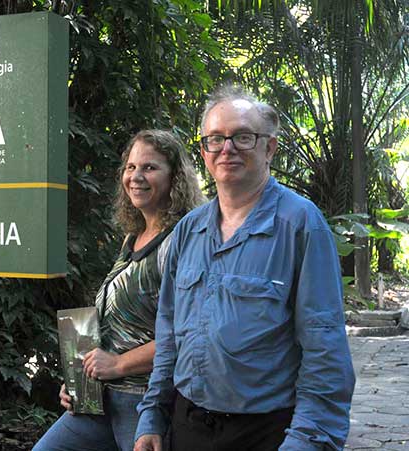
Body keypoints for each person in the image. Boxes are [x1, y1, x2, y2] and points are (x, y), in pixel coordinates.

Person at [134, 85, 356, 451]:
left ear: (269, 147)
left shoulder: (300, 224)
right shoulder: (189, 229)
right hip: (188, 427)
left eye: (242, 137)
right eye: (215, 139)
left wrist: (307, 441)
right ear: (204, 151)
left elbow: (324, 347)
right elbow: (169, 331)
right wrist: (152, 416)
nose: (227, 148)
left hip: (266, 434)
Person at [33, 130, 205, 451]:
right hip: (100, 398)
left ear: (176, 177)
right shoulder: (132, 238)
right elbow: (115, 321)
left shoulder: (181, 240)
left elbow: (189, 333)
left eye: (149, 168)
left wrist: (118, 364)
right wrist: (78, 379)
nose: (136, 177)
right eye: (130, 167)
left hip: (144, 401)